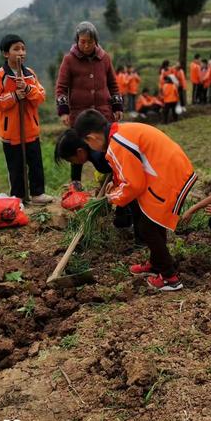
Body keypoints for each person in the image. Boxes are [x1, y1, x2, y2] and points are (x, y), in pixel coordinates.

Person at [74, 109, 197, 291]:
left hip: (168, 177)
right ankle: (157, 263)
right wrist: (116, 185)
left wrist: (112, 198)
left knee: (147, 226)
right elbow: (130, 169)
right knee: (146, 219)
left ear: (91, 138)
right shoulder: (120, 133)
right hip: (171, 171)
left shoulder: (116, 144)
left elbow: (134, 185)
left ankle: (170, 278)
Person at [0, 34, 53, 204]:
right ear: (5, 54)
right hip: (11, 132)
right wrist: (13, 96)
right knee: (15, 168)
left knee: (35, 163)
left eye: (23, 49)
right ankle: (19, 197)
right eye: (16, 49)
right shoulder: (0, 75)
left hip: (31, 129)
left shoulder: (30, 74)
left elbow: (41, 96)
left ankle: (38, 193)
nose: (20, 52)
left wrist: (28, 90)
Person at [55, 21, 123, 186]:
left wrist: (117, 106)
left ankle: (110, 180)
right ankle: (76, 182)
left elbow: (113, 84)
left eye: (90, 42)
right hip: (79, 114)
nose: (86, 45)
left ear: (96, 41)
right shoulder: (69, 60)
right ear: (77, 40)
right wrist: (64, 111)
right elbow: (61, 87)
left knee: (105, 148)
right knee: (78, 147)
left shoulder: (104, 58)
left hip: (103, 113)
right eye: (82, 41)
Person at [54, 128, 134, 230]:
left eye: (71, 160)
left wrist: (114, 189)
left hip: (133, 179)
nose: (73, 163)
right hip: (127, 177)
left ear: (80, 152)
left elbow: (127, 181)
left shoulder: (99, 156)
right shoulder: (95, 152)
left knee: (133, 212)